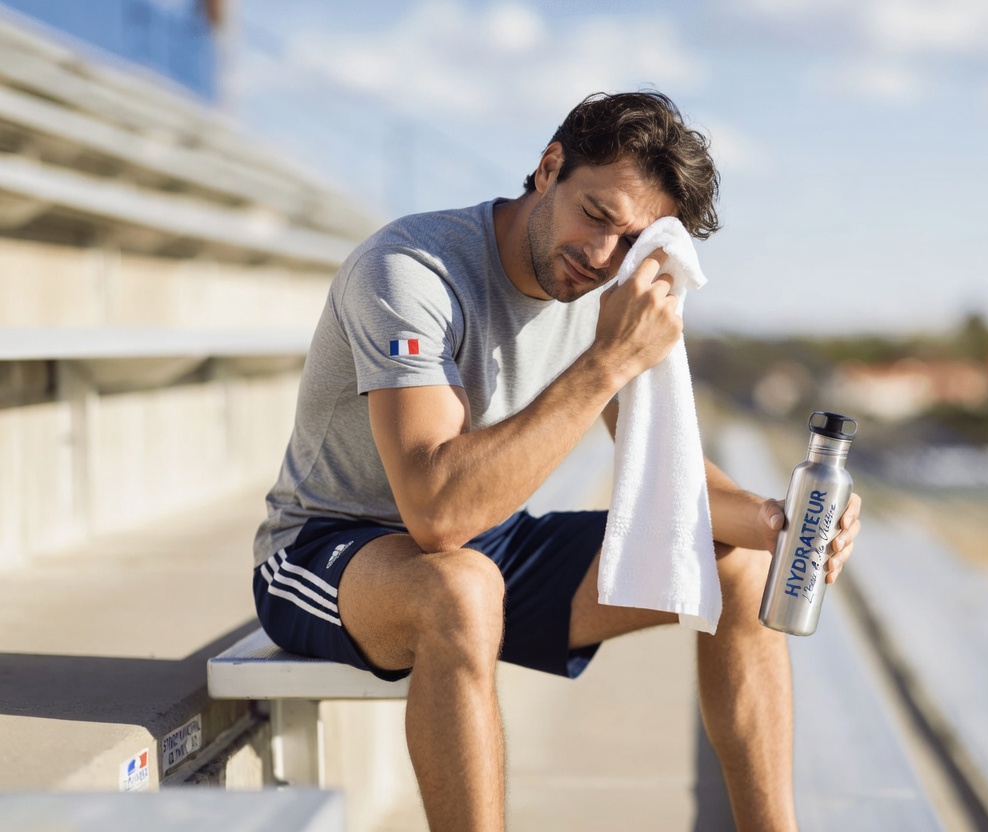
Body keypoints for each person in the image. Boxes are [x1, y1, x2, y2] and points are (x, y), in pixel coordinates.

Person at [253, 90, 863, 831]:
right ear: (548, 168)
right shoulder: (409, 269)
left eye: (630, 240)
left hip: (489, 543)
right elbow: (437, 511)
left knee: (741, 562)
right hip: (331, 549)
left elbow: (682, 483)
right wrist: (604, 363)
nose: (602, 256)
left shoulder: (605, 288)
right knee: (463, 588)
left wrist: (784, 524)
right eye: (596, 215)